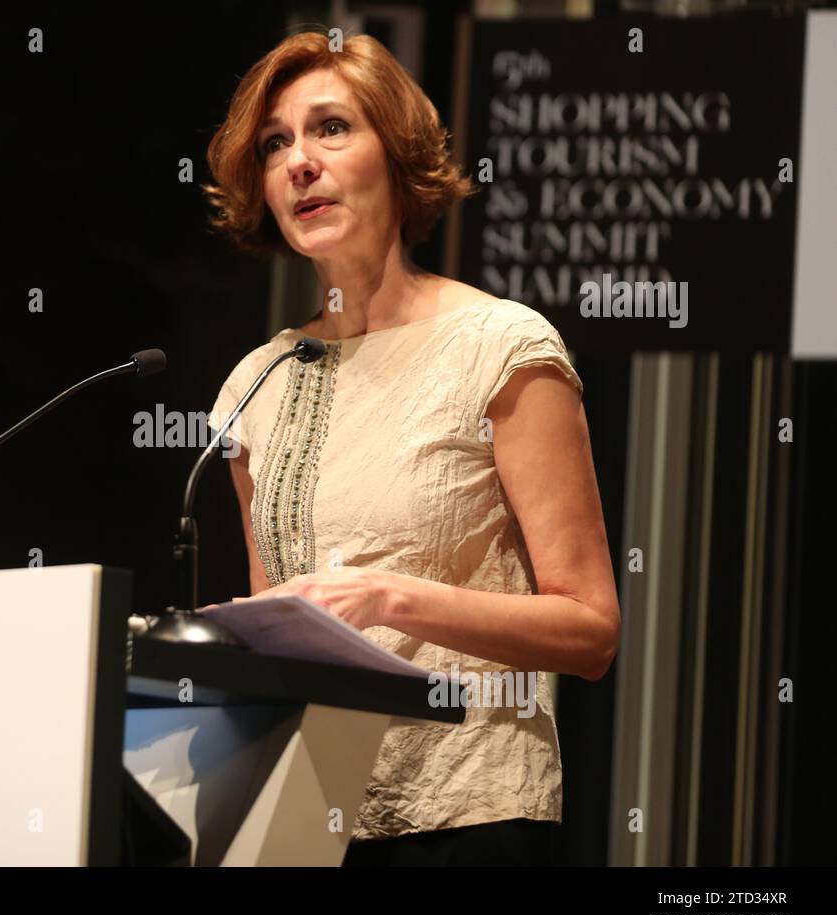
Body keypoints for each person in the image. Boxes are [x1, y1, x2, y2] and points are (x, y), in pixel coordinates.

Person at [201, 31, 620, 866]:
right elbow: (279, 629)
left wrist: (391, 599)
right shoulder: (258, 381)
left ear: (395, 157)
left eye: (330, 129)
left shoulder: (500, 346)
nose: (297, 163)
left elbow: (590, 630)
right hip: (303, 822)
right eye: (275, 143)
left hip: (467, 815)